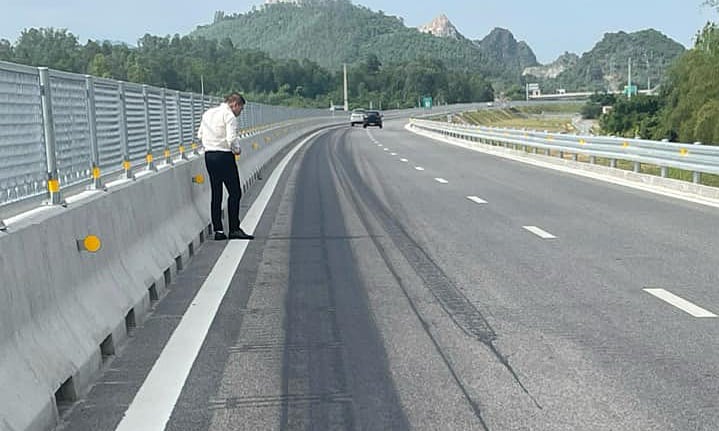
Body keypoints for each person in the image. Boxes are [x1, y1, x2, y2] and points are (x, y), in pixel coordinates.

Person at [197, 93, 254, 240]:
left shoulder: (208, 113)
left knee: (217, 193)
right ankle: (234, 228)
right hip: (224, 156)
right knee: (235, 192)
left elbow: (200, 135)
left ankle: (219, 231)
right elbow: (231, 139)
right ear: (234, 104)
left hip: (209, 156)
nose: (240, 113)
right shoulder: (229, 116)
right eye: (240, 109)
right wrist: (237, 150)